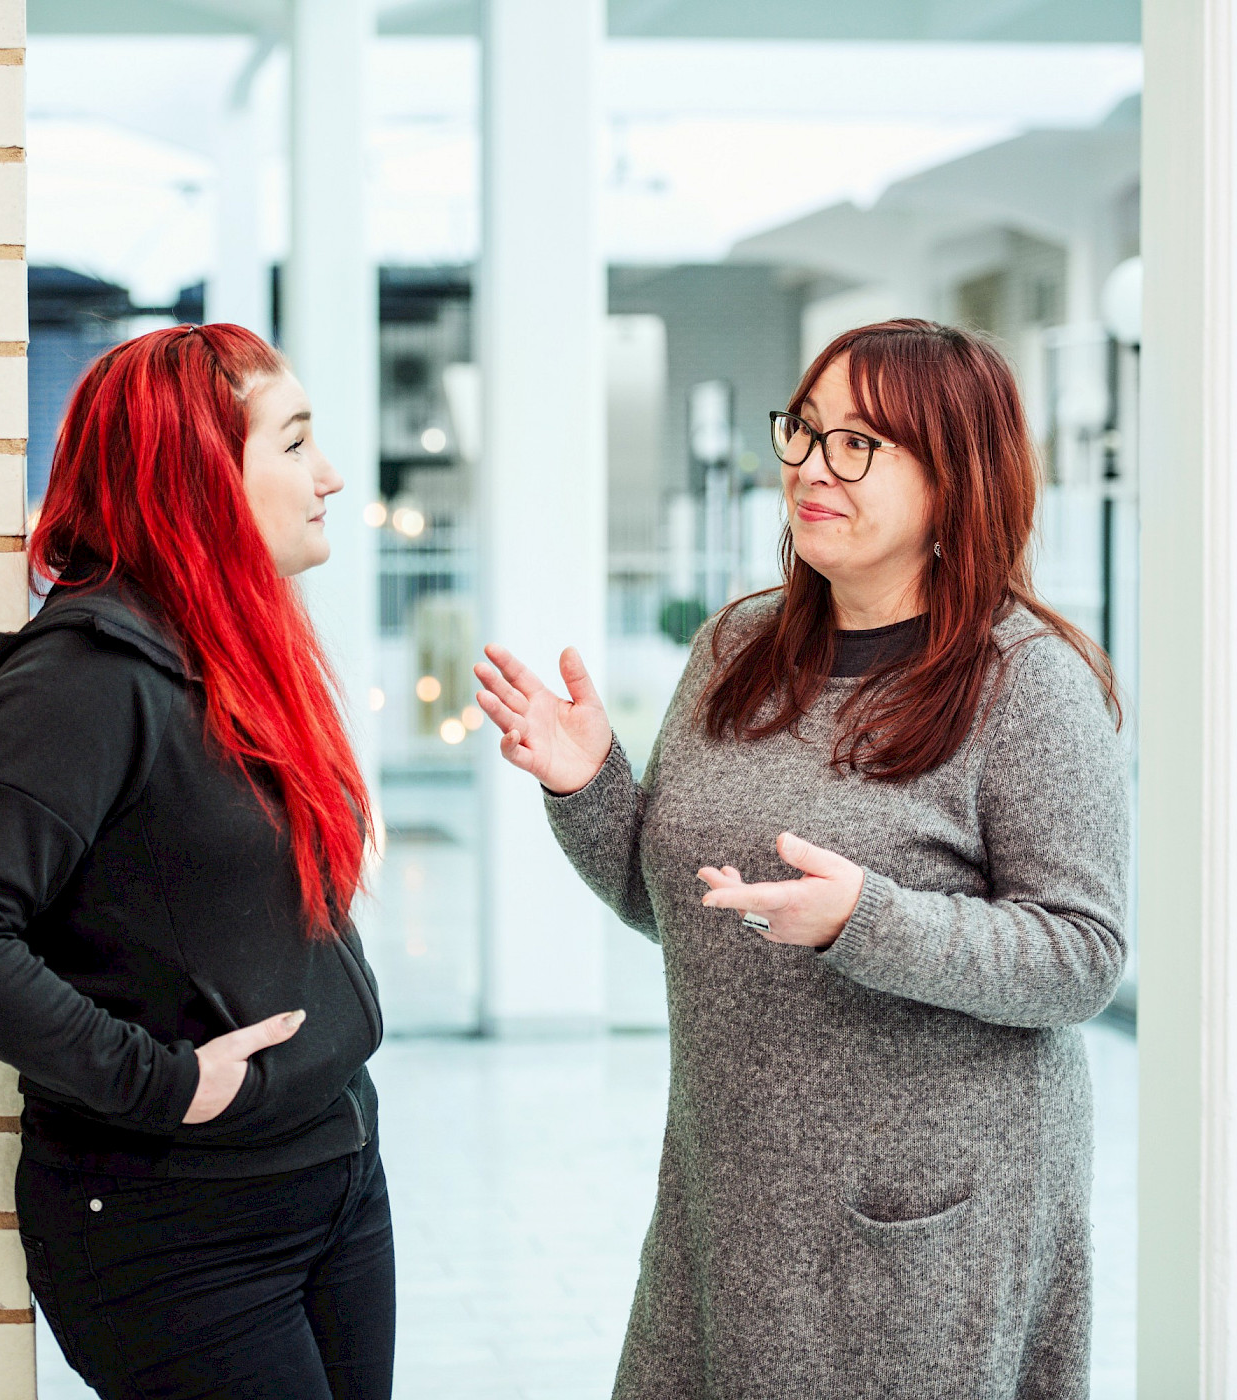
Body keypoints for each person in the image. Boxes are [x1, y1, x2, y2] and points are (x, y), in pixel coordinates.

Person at [475, 319, 1128, 1400]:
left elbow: (1081, 955)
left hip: (925, 1226)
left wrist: (865, 919)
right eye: (805, 430)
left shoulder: (1029, 682)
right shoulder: (735, 647)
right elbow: (679, 901)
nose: (811, 466)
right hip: (727, 1196)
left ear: (956, 478)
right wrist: (587, 782)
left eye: (857, 444)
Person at [0, 324, 393, 1400]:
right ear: (197, 475)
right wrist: (164, 1083)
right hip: (182, 1228)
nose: (330, 476)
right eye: (295, 442)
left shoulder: (230, 652)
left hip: (333, 1177)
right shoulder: (84, 674)